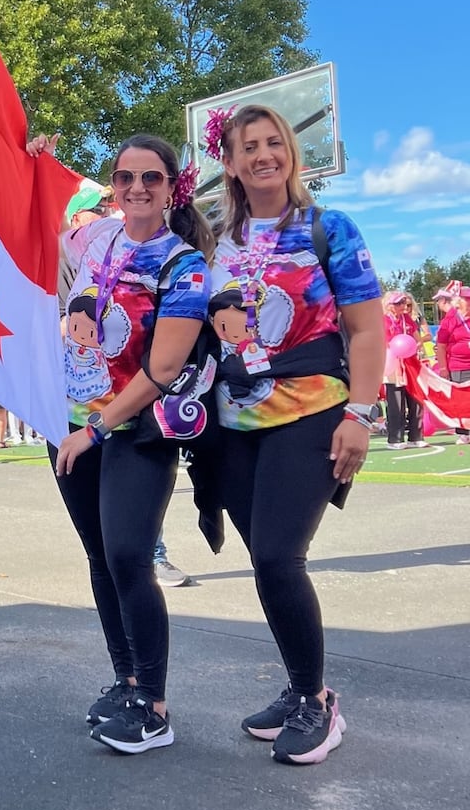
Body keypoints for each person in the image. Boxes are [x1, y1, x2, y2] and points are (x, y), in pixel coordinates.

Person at [207, 103, 383, 765]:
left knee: (280, 556)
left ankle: (317, 701)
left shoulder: (327, 229)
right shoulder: (215, 240)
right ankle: (299, 684)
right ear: (229, 162)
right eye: (247, 145)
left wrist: (359, 416)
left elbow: (367, 330)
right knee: (267, 563)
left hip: (312, 411)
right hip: (232, 425)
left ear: (290, 153)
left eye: (272, 141)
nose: (262, 154)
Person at [35, 131, 212, 754]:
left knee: (131, 558)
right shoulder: (95, 238)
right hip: (73, 427)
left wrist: (97, 428)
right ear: (112, 188)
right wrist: (33, 162)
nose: (136, 189)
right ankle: (127, 680)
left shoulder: (185, 265)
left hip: (135, 430)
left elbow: (163, 369)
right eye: (125, 179)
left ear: (171, 189)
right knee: (100, 558)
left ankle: (155, 707)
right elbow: (33, 212)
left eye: (151, 179)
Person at [382, 291, 429, 449]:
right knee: (396, 403)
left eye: (404, 302)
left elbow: (417, 338)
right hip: (393, 365)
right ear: (390, 306)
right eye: (399, 303)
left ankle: (416, 436)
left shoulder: (407, 319)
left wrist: (416, 345)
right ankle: (395, 439)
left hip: (411, 364)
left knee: (415, 399)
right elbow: (384, 342)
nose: (403, 306)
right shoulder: (384, 321)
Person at [435, 285, 470, 443]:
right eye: (466, 299)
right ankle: (463, 432)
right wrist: (443, 368)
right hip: (458, 365)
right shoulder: (449, 320)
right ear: (459, 301)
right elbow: (441, 346)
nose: (468, 302)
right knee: (461, 399)